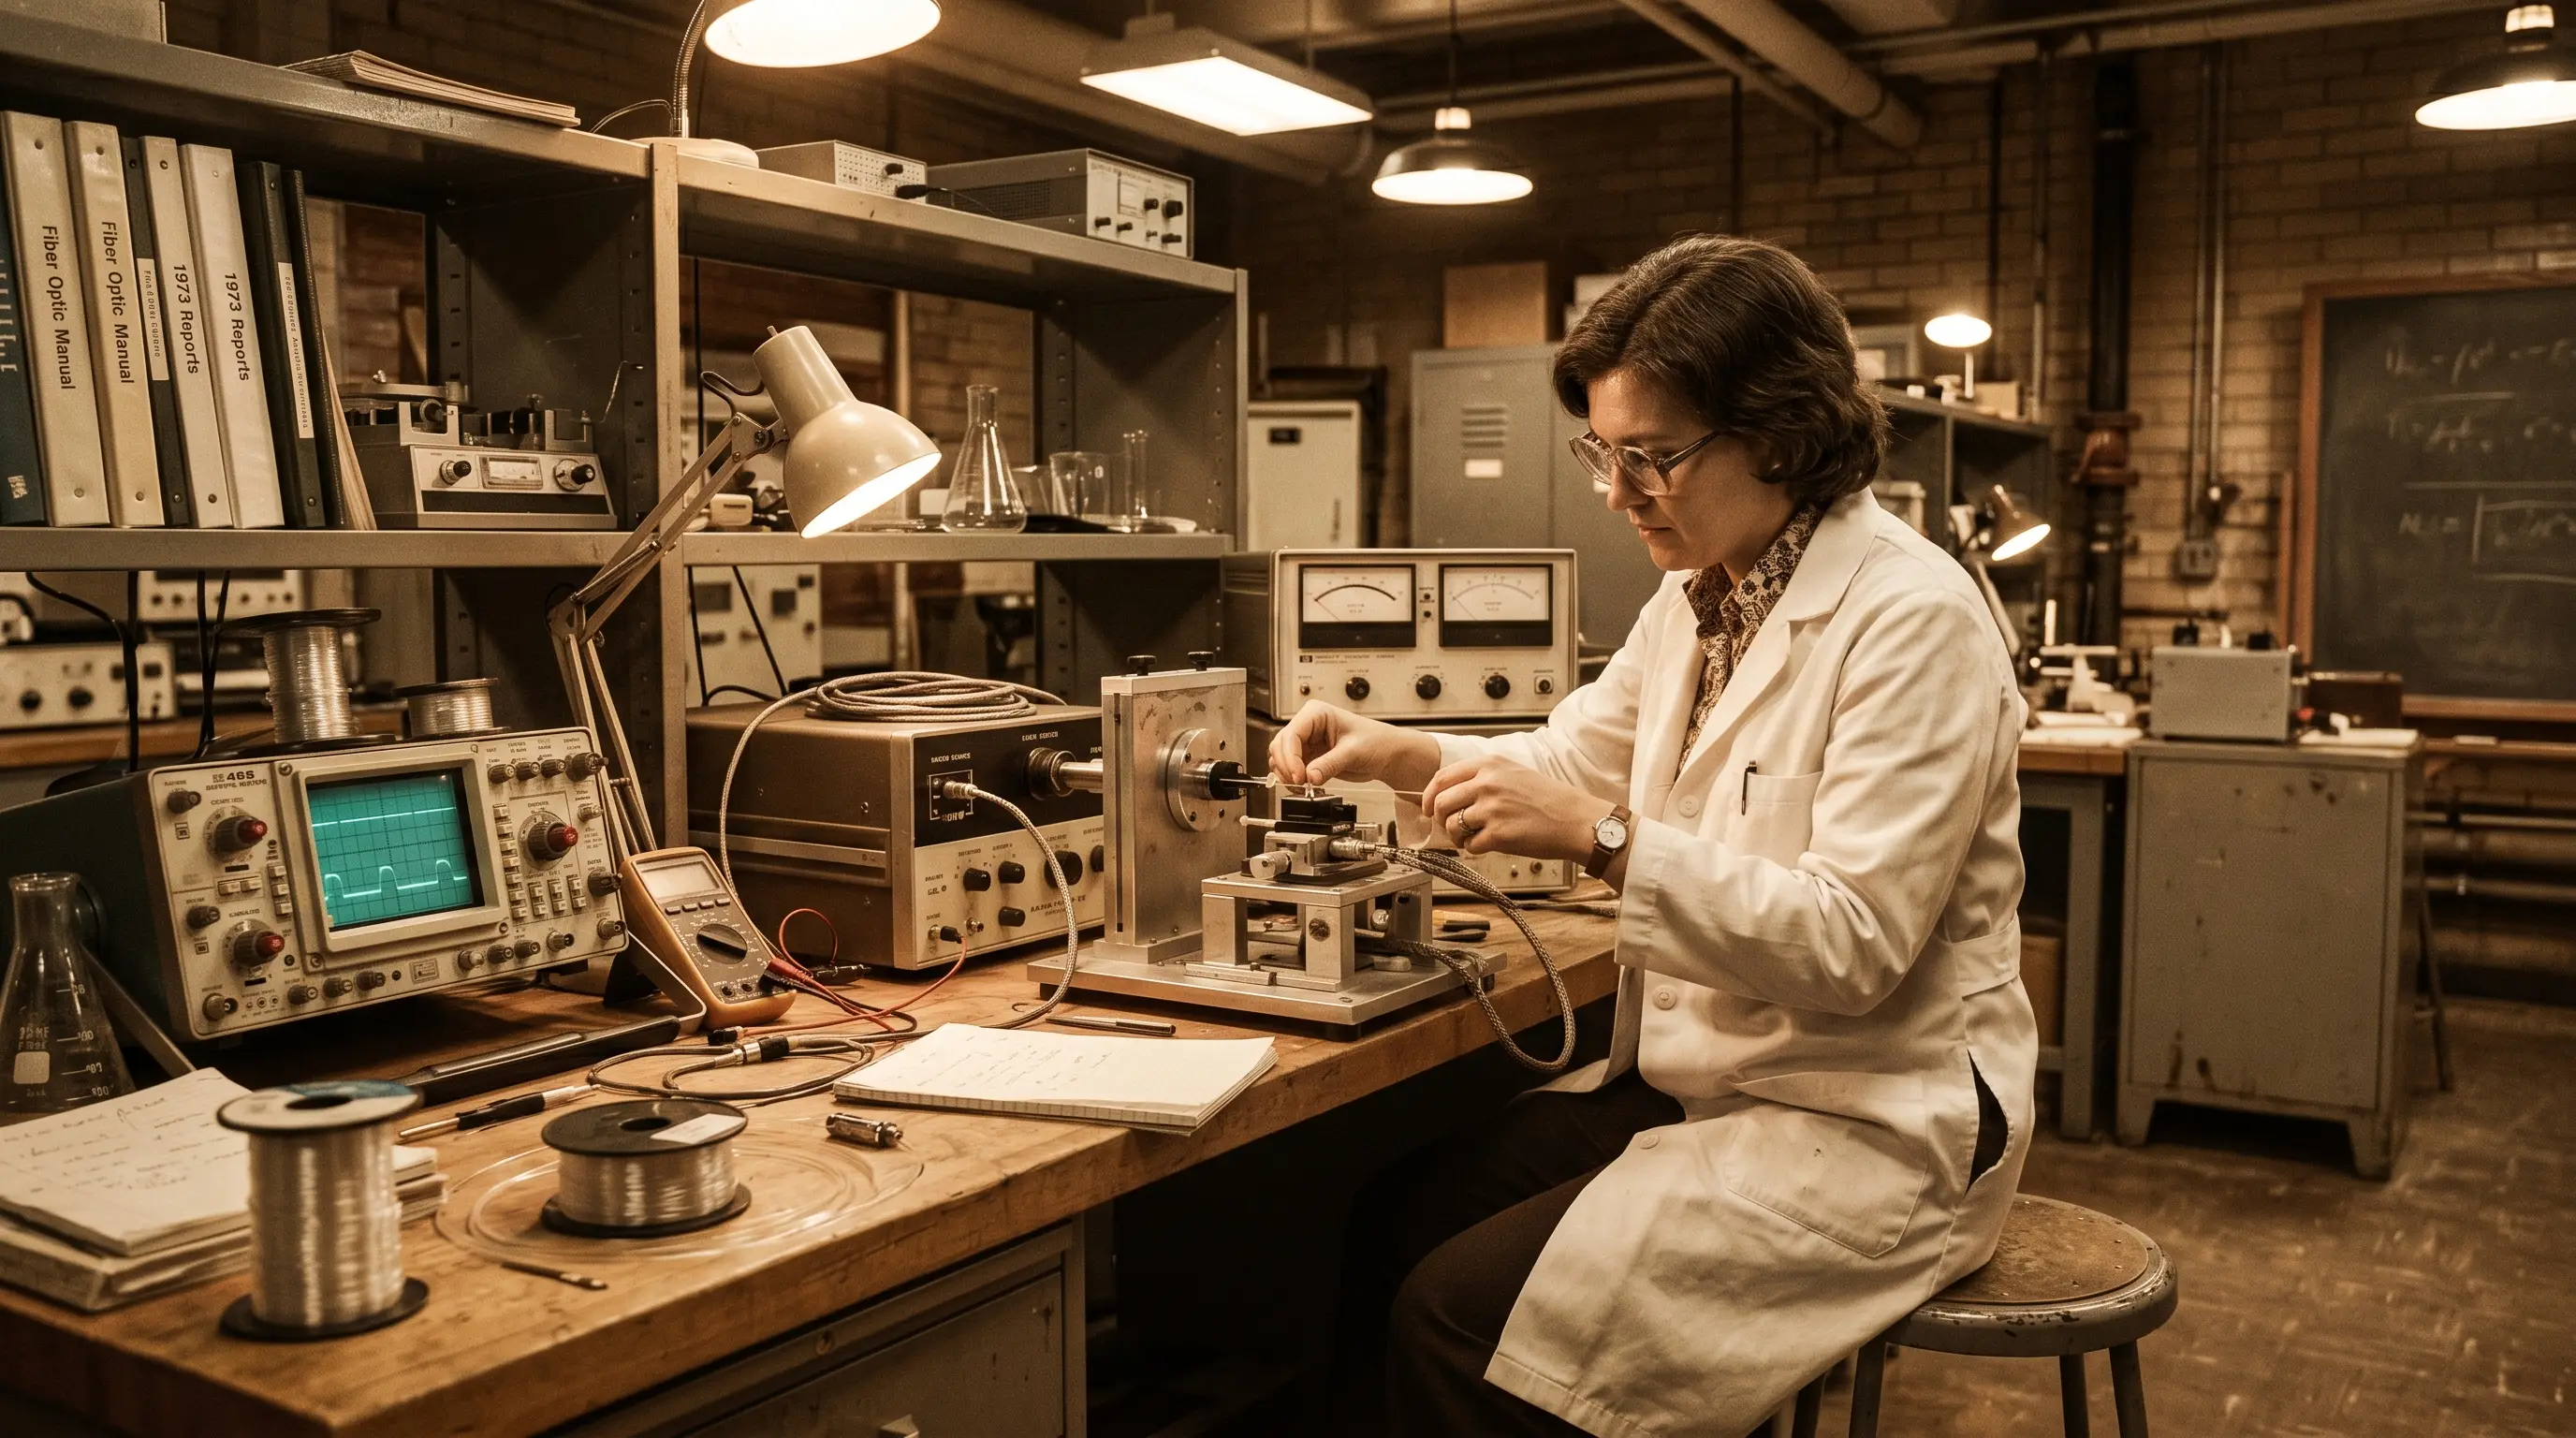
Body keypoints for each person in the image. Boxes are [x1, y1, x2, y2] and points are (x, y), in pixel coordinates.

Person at [1270, 234, 2036, 1438]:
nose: (1615, 494)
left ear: (1777, 436)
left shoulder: (1914, 621)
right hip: (1713, 1082)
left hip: (1868, 1117)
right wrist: (1402, 752)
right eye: (1603, 454)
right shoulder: (1701, 596)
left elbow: (1851, 944)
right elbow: (1574, 758)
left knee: (1450, 1320)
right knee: (1386, 1221)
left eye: (1651, 458)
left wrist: (1610, 841)